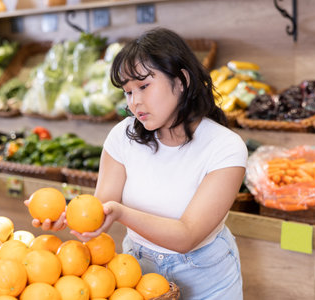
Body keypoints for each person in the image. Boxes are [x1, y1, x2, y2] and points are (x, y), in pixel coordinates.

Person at [27, 27, 248, 299]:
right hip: (135, 272)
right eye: (128, 92)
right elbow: (99, 212)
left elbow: (187, 235)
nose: (135, 102)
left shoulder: (225, 146)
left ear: (181, 81)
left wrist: (121, 212)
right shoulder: (122, 135)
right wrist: (69, 217)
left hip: (206, 277)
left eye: (144, 86)